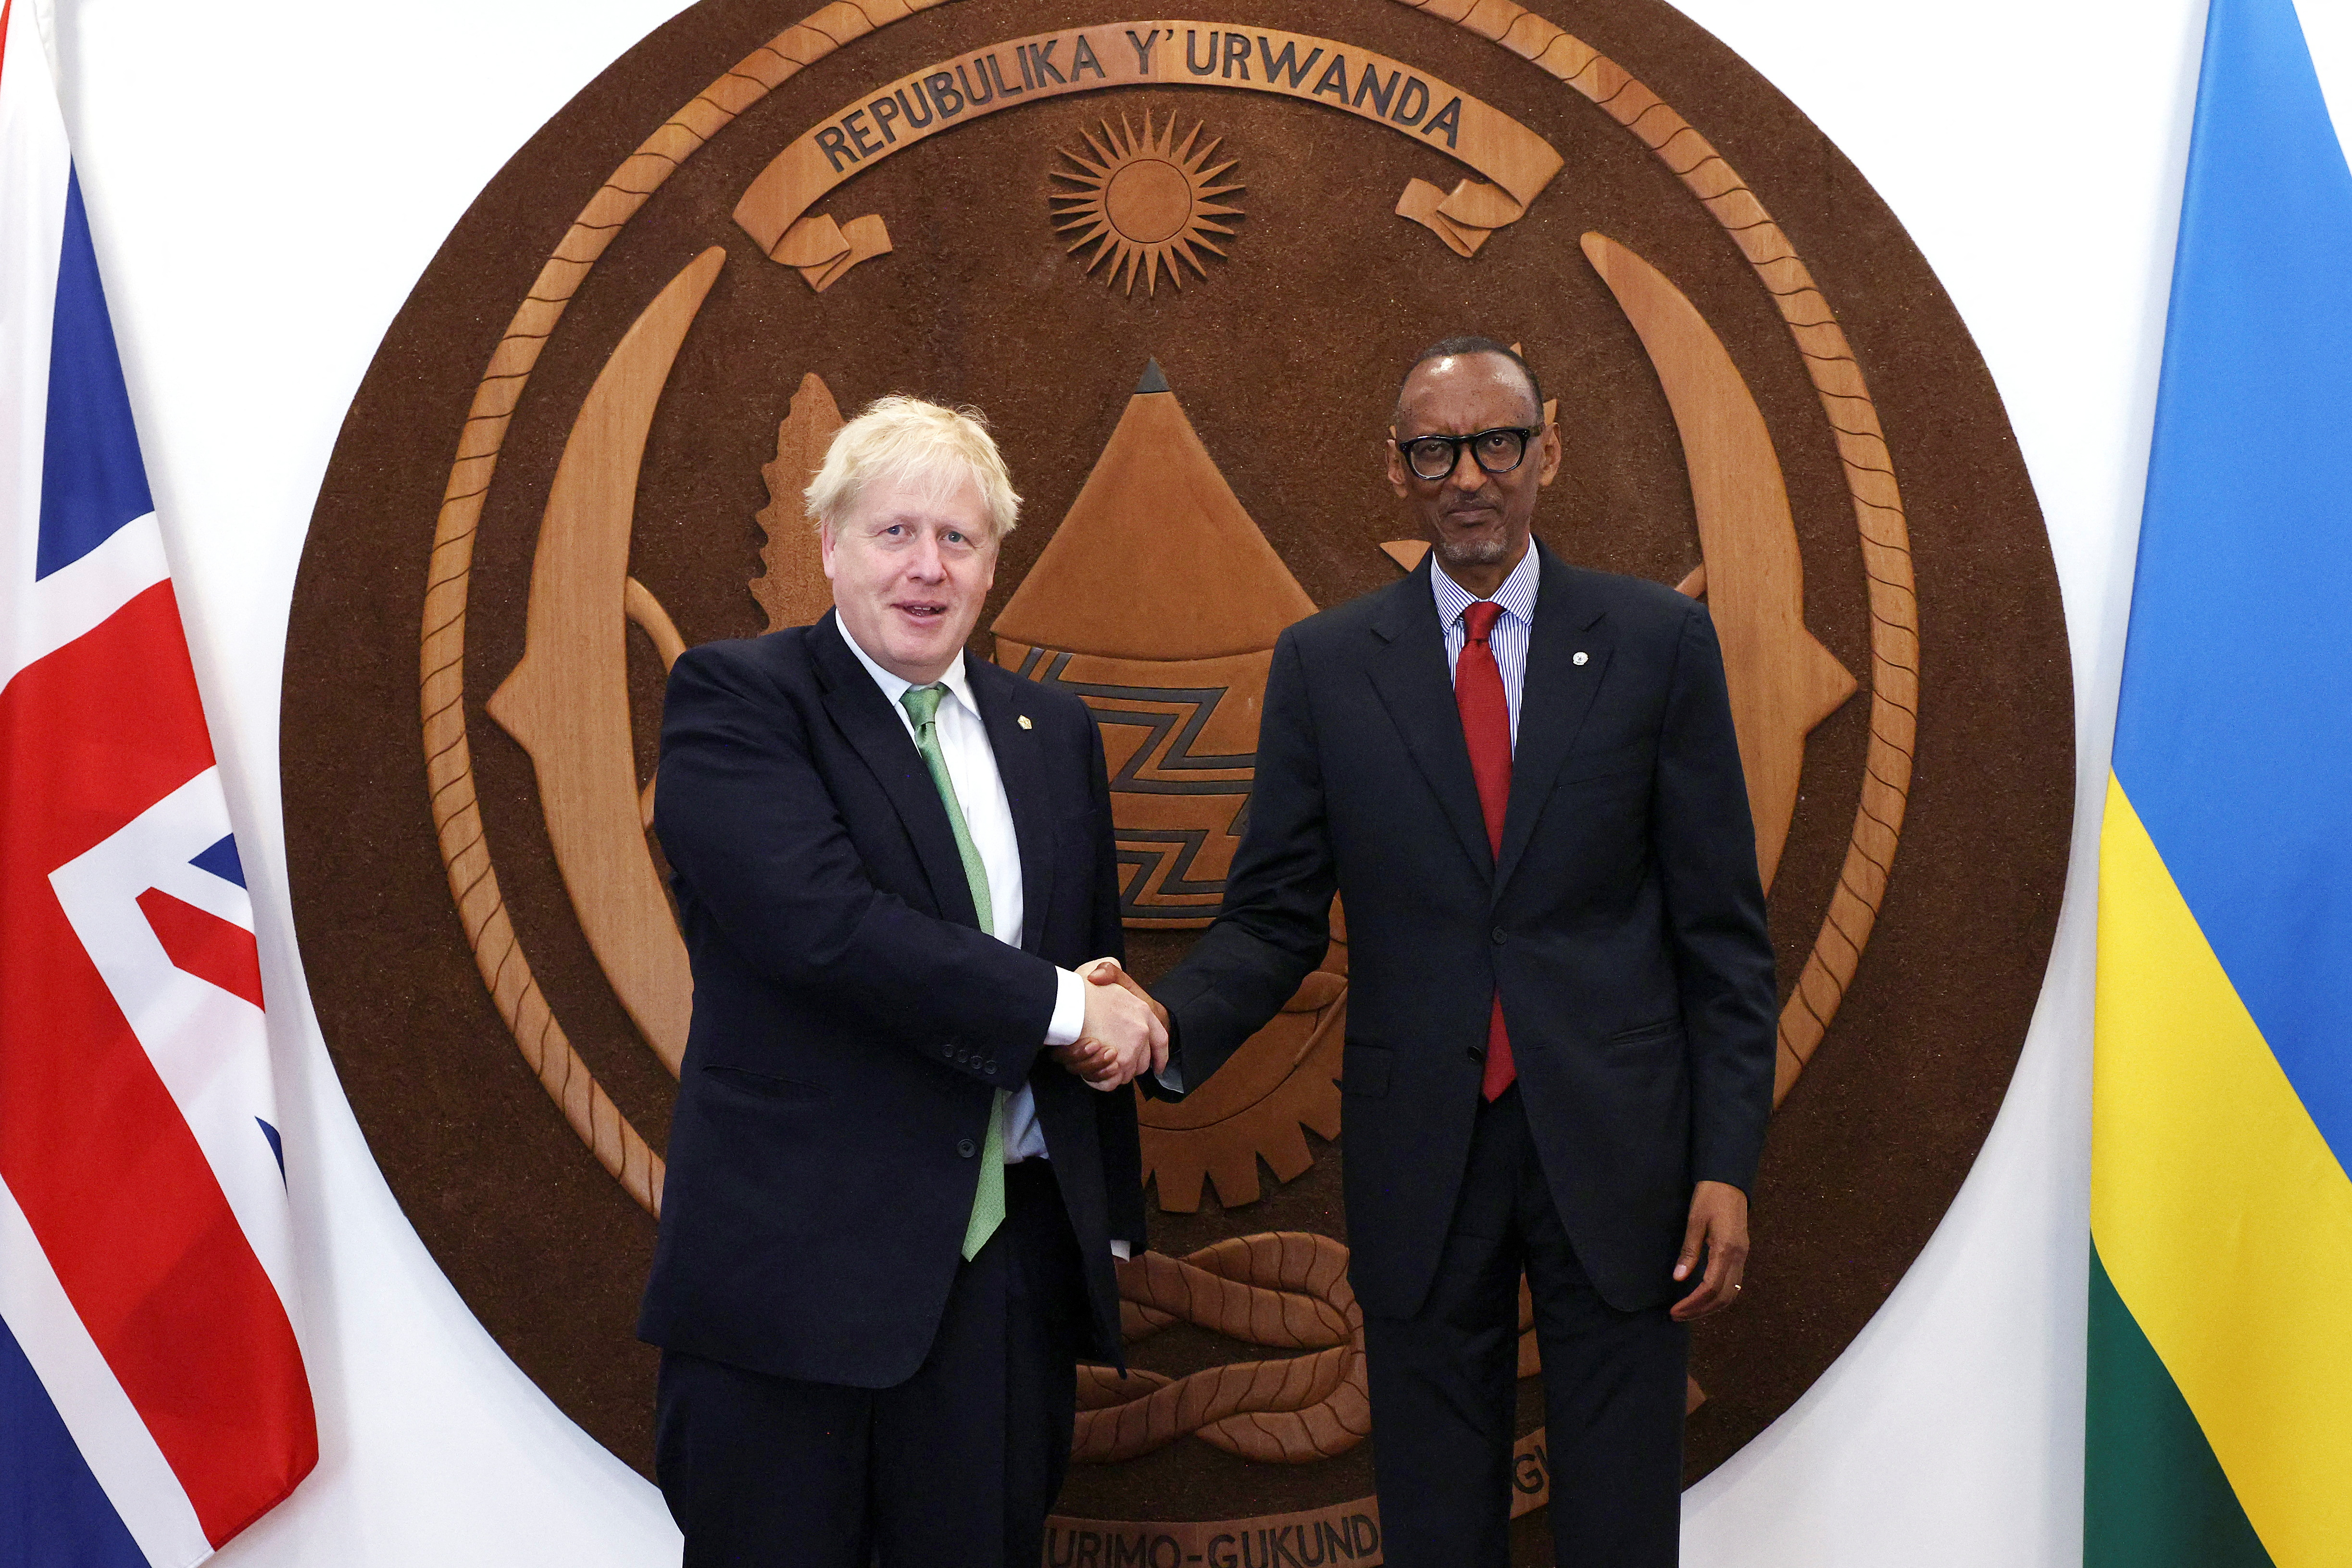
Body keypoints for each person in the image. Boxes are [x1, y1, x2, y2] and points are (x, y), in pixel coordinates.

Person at [1121, 338, 1777, 1566]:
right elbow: (1271, 918)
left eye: (1496, 442)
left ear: (1547, 450)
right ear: (1397, 468)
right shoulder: (1324, 665)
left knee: (1622, 1516)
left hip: (1623, 1148)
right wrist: (1162, 1028)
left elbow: (1723, 939)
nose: (1467, 474)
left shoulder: (1653, 643)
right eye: (1436, 449)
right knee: (1429, 1514)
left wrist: (1726, 1161)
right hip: (1422, 1143)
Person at [638, 395, 1167, 1568]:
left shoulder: (1052, 730)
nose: (926, 567)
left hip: (999, 1287)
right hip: (791, 1285)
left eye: (958, 539)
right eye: (893, 533)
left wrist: (1098, 1200)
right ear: (828, 545)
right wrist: (1076, 1008)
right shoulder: (740, 701)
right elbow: (821, 928)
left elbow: (1084, 958)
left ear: (991, 565)